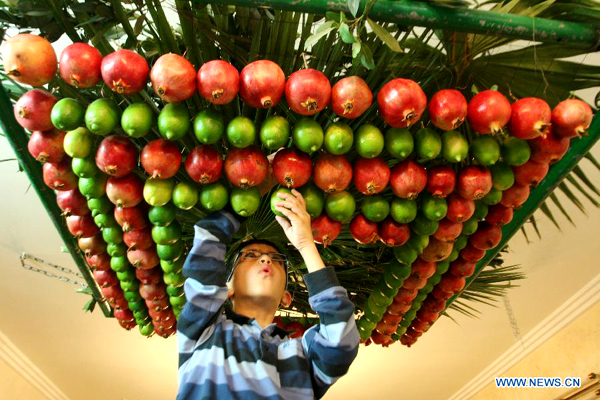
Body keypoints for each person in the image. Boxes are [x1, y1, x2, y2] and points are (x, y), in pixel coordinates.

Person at [176, 189, 360, 399]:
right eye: (250, 255)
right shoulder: (204, 332)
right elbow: (208, 242)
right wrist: (251, 191)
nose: (266, 260)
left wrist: (306, 245)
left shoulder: (301, 354)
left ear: (286, 297)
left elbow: (341, 340)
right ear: (227, 289)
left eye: (277, 259)